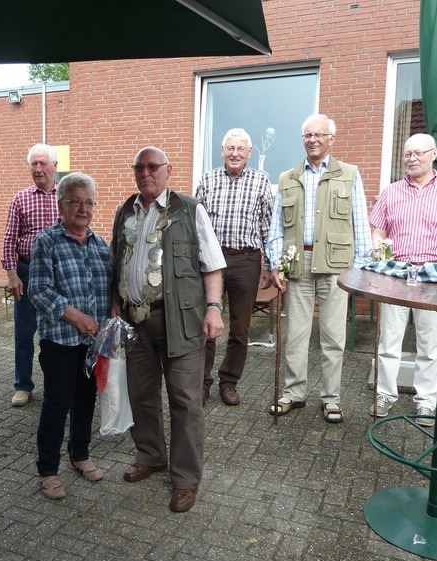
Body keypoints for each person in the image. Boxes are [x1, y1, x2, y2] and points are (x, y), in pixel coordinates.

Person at [112, 146, 225, 512]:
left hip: (182, 321)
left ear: (168, 170)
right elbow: (118, 262)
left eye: (152, 166)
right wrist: (116, 302)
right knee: (141, 395)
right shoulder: (125, 212)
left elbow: (212, 265)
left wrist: (213, 309)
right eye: (139, 167)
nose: (145, 173)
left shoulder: (189, 209)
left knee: (185, 401)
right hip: (136, 321)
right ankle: (151, 455)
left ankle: (185, 479)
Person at [266, 114, 372, 424]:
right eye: (307, 135)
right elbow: (276, 227)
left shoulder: (349, 174)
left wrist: (358, 269)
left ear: (331, 139)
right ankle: (293, 393)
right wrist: (277, 263)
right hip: (298, 263)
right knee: (295, 335)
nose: (312, 140)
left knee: (333, 337)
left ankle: (331, 399)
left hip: (336, 267)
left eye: (319, 135)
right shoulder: (288, 177)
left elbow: (360, 224)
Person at [368, 133, 437, 426]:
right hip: (397, 274)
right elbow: (377, 229)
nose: (411, 158)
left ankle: (426, 401)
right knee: (389, 340)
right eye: (407, 153)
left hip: (433, 276)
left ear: (433, 154)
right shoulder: (391, 192)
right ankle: (385, 394)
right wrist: (378, 248)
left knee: (430, 343)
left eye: (418, 153)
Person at [28, 173, 111, 499]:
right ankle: (48, 470)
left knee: (85, 400)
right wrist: (77, 318)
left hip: (92, 344)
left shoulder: (100, 244)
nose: (83, 209)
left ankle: (80, 455)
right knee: (57, 404)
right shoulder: (47, 241)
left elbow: (109, 289)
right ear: (61, 205)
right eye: (76, 202)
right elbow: (38, 290)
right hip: (60, 341)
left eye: (89, 202)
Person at [196, 128, 274, 405]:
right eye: (230, 148)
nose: (235, 153)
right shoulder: (207, 180)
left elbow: (267, 227)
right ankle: (201, 383)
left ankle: (229, 382)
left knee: (240, 328)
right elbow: (197, 227)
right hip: (211, 262)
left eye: (241, 149)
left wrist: (269, 265)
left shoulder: (261, 181)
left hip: (246, 261)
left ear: (249, 153)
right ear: (222, 151)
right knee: (206, 323)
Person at [1, 144, 59, 407]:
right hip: (27, 271)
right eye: (33, 164)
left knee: (56, 332)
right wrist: (12, 274)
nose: (37, 168)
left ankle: (56, 384)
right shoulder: (20, 199)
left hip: (58, 273)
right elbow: (9, 239)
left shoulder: (66, 196)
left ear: (54, 166)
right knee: (24, 333)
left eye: (42, 163)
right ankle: (23, 386)